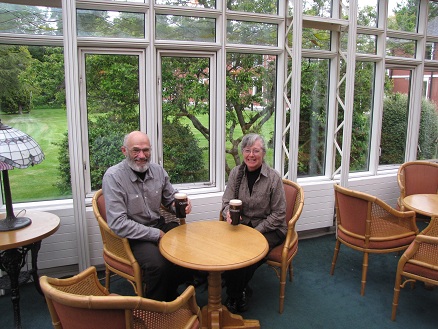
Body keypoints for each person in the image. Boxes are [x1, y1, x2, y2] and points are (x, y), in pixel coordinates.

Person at [102, 130, 193, 301]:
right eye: (136, 150)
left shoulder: (158, 171)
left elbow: (169, 199)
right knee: (158, 265)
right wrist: (155, 235)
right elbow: (118, 223)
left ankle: (173, 294)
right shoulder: (113, 177)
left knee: (188, 248)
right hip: (134, 235)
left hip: (158, 224)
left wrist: (180, 205)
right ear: (124, 151)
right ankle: (156, 309)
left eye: (146, 150)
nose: (142, 156)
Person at [221, 133, 287, 313]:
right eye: (247, 150)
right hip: (243, 226)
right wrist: (227, 213)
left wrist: (257, 231)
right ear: (243, 152)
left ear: (263, 153)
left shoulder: (273, 177)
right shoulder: (236, 173)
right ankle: (240, 288)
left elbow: (279, 214)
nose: (251, 155)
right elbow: (226, 202)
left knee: (249, 256)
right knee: (225, 248)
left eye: (256, 151)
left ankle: (234, 294)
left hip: (270, 228)